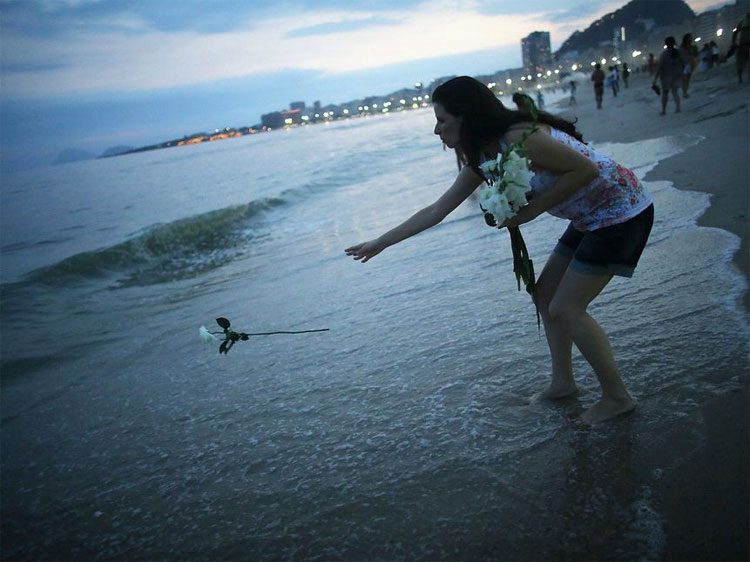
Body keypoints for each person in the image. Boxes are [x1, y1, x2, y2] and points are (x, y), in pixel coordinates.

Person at [345, 76, 654, 425]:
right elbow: (437, 210)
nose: (436, 130)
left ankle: (617, 397)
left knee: (567, 307)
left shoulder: (520, 138)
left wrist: (531, 210)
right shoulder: (485, 153)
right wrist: (380, 243)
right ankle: (563, 383)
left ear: (467, 117)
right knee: (545, 295)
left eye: (442, 120)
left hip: (621, 210)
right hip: (588, 217)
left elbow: (585, 169)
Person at [653, 36, 685, 115]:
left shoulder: (664, 54)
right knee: (675, 92)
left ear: (666, 44)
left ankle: (664, 111)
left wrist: (655, 79)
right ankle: (678, 108)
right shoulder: (678, 53)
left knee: (665, 94)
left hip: (666, 77)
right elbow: (683, 64)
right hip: (677, 76)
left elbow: (660, 67)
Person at [731, 13, 750, 83]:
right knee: (742, 62)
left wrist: (733, 42)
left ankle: (740, 78)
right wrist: (733, 42)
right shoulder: (743, 22)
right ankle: (740, 78)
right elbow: (735, 33)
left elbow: (735, 33)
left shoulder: (742, 22)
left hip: (742, 45)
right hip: (743, 45)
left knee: (741, 62)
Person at [679, 33, 698, 98]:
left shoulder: (691, 47)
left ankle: (685, 92)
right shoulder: (682, 47)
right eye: (689, 38)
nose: (691, 39)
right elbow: (680, 57)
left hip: (689, 64)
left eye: (691, 38)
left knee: (687, 80)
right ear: (686, 39)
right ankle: (684, 92)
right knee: (685, 79)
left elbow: (695, 55)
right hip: (684, 65)